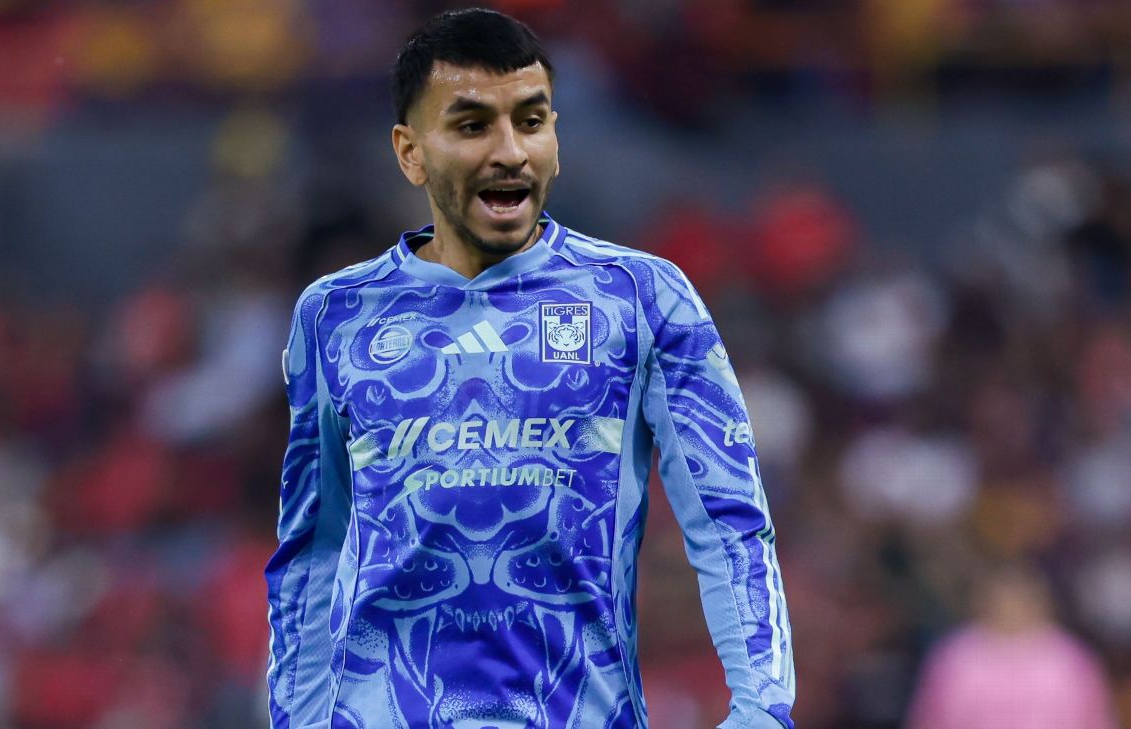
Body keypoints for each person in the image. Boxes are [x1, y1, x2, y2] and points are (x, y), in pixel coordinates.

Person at [264, 8, 795, 728]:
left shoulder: (641, 299)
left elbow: (729, 521)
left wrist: (762, 709)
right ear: (410, 152)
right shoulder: (336, 315)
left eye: (531, 121)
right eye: (473, 125)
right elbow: (311, 549)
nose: (510, 151)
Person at [905, 564, 1117, 729]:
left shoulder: (1070, 659)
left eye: (1018, 599)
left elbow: (1094, 721)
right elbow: (930, 720)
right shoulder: (954, 657)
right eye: (1002, 600)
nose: (1010, 608)